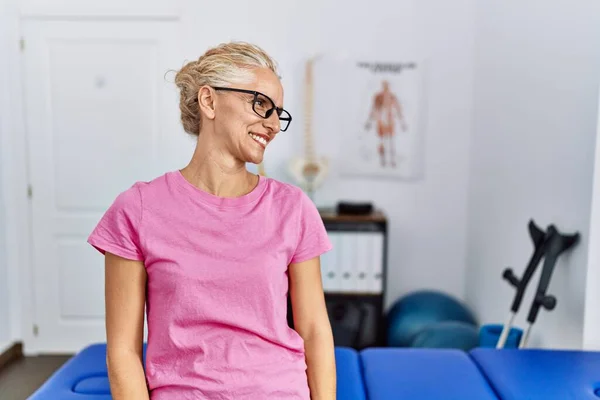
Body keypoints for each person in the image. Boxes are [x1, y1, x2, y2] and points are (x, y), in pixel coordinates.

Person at [87, 42, 336, 400]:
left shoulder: (292, 208)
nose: (272, 124)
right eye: (260, 104)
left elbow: (314, 329)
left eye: (277, 113)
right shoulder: (137, 209)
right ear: (209, 101)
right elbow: (123, 351)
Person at [364, 80, 408, 167]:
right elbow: (373, 109)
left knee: (391, 141)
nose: (386, 87)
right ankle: (383, 161)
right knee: (382, 141)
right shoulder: (378, 96)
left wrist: (402, 122)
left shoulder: (392, 97)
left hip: (389, 120)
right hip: (381, 120)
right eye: (384, 85)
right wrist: (369, 121)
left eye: (387, 86)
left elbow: (398, 109)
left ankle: (392, 161)